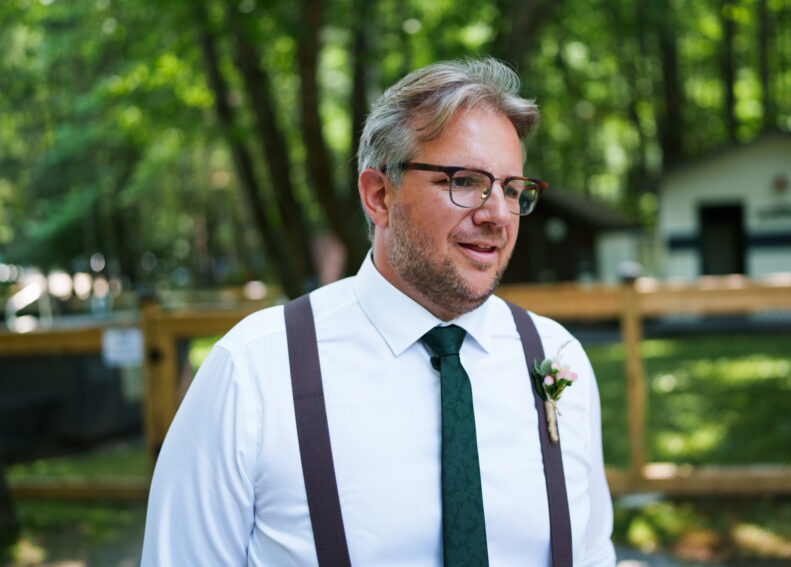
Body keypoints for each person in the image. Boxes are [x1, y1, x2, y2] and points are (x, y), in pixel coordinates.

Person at [141, 58, 616, 566]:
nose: (497, 213)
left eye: (511, 188)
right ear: (379, 196)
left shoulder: (557, 355)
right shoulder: (254, 370)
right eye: (465, 181)